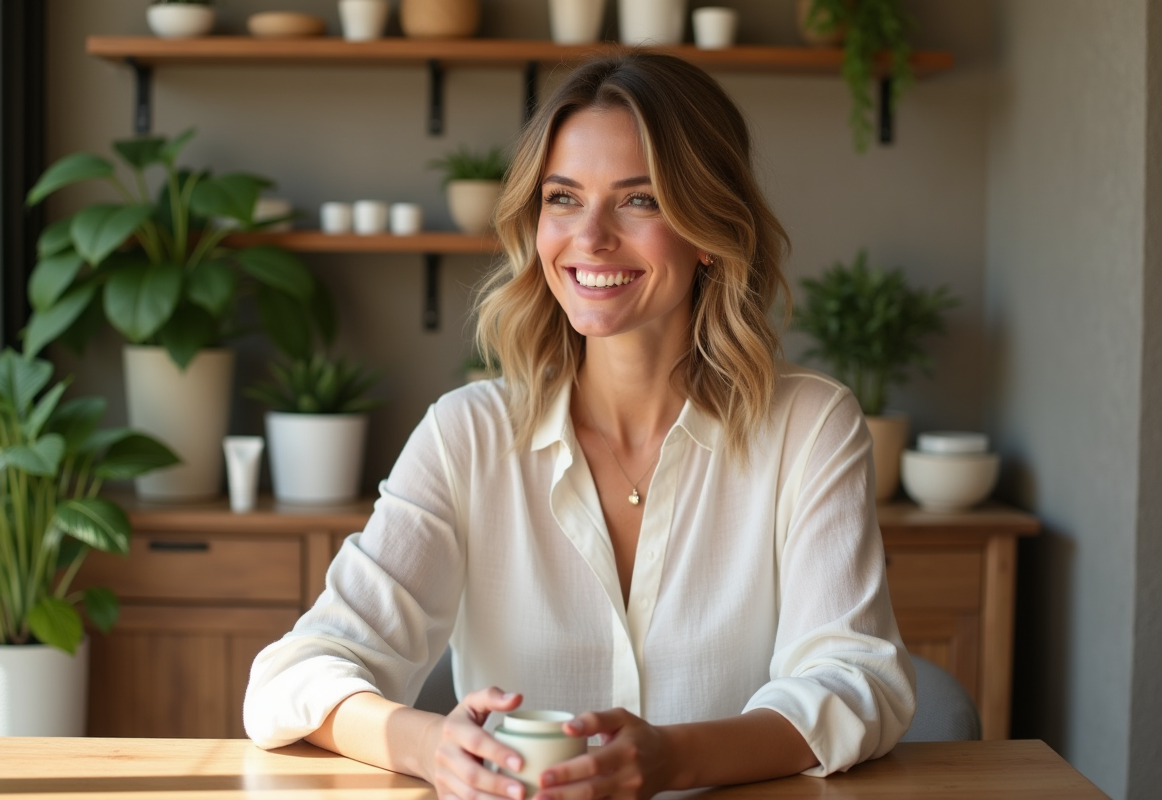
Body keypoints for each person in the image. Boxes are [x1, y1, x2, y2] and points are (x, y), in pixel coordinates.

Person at [244, 52, 915, 799]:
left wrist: (673, 761)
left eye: (640, 200)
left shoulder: (810, 427)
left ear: (710, 228)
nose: (590, 237)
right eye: (562, 198)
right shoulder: (467, 436)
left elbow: (856, 681)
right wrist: (430, 745)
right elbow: (294, 674)